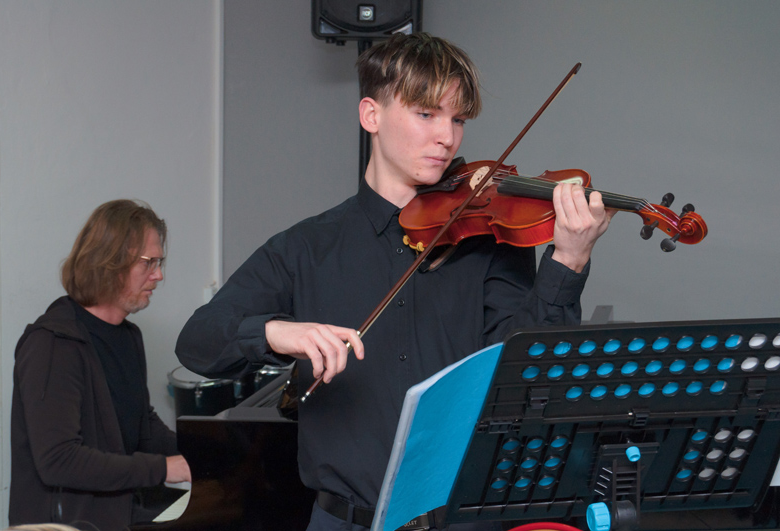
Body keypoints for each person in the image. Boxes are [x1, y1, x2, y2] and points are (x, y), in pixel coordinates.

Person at [176, 33, 612, 531]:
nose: (447, 137)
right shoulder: (305, 247)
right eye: (427, 114)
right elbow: (197, 342)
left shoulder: (490, 238)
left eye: (458, 119)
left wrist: (569, 260)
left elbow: (528, 376)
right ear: (371, 115)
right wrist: (277, 332)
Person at [9, 199, 192, 531]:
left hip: (119, 511)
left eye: (159, 262)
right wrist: (165, 469)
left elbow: (142, 426)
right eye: (149, 263)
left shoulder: (129, 336)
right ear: (110, 263)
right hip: (70, 524)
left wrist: (210, 452)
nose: (158, 275)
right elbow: (58, 460)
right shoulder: (53, 344)